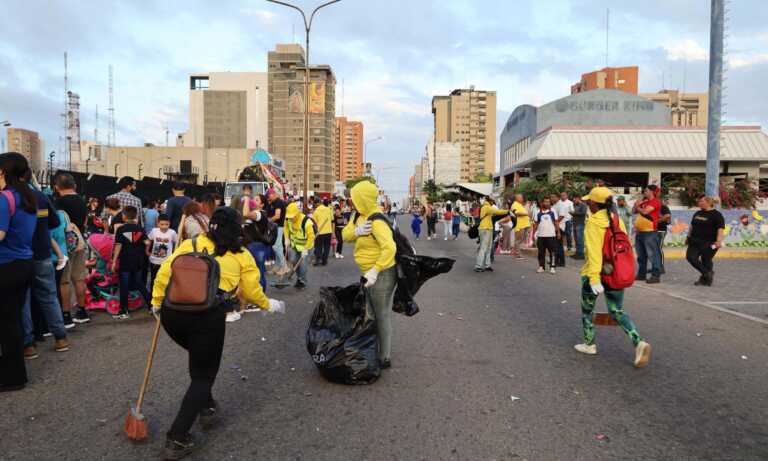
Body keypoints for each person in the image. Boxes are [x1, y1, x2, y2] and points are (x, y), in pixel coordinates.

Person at [151, 206, 284, 459]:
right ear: (237, 229)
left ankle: (207, 405)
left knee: (200, 359)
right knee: (204, 375)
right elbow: (251, 290)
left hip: (173, 314)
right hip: (206, 317)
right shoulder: (241, 254)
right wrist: (269, 304)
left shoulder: (192, 243)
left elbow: (166, 271)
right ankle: (176, 438)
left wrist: (157, 302)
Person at [575, 186, 652, 368]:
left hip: (594, 274)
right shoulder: (616, 219)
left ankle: (589, 344)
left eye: (589, 201)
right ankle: (638, 341)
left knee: (587, 311)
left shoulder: (594, 222)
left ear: (595, 203)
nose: (587, 203)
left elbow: (594, 253)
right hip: (615, 272)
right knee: (616, 311)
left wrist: (594, 278)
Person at [342, 181, 397, 369]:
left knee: (380, 314)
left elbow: (390, 248)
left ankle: (384, 357)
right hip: (368, 272)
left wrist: (375, 269)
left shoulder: (377, 220)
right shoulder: (357, 215)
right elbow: (345, 235)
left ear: (363, 198)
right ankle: (373, 349)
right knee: (370, 313)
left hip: (383, 272)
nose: (352, 202)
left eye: (356, 198)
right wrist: (356, 231)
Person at [0, 152, 38, 392]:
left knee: (7, 323)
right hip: (24, 263)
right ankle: (14, 374)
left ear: (3, 171)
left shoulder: (4, 198)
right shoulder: (29, 197)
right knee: (11, 321)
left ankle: (12, 377)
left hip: (6, 265)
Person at [21, 182, 70, 359]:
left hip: (18, 254)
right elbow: (54, 221)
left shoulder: (8, 197)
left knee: (22, 300)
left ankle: (28, 344)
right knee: (49, 296)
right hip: (42, 252)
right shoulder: (40, 197)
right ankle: (60, 337)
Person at [54, 173, 91, 325]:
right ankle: (82, 311)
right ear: (74, 185)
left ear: (57, 187)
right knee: (79, 278)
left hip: (64, 244)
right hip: (80, 242)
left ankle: (66, 314)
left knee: (64, 281)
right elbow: (85, 221)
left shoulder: (58, 202)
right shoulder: (82, 201)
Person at [110, 206, 151, 320]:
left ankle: (124, 310)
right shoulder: (140, 228)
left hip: (125, 261)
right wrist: (147, 251)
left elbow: (118, 246)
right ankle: (151, 306)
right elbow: (147, 242)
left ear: (123, 216)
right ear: (135, 216)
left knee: (124, 285)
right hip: (138, 260)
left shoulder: (121, 229)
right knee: (139, 283)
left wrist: (114, 262)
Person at [686, 196, 725, 287]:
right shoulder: (698, 213)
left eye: (701, 201)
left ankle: (705, 280)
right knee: (690, 257)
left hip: (709, 242)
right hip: (694, 241)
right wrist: (688, 237)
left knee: (706, 260)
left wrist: (718, 241)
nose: (699, 203)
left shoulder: (716, 215)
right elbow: (692, 226)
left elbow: (720, 228)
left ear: (708, 203)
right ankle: (707, 273)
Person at [633, 185, 662, 284]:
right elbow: (633, 211)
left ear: (652, 192)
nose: (644, 192)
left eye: (646, 190)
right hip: (640, 232)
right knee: (641, 255)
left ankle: (655, 275)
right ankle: (641, 274)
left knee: (653, 254)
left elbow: (645, 212)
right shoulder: (644, 202)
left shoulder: (655, 202)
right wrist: (636, 204)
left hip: (650, 232)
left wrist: (638, 206)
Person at [284, 201, 315, 290]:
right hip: (294, 245)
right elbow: (286, 227)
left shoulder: (306, 221)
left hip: (306, 246)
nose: (291, 219)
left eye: (292, 217)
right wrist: (287, 238)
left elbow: (311, 237)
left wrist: (306, 249)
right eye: (289, 217)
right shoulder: (288, 219)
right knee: (293, 260)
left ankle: (302, 281)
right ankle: (299, 277)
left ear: (297, 213)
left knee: (302, 265)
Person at [474, 196, 508, 273]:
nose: (493, 202)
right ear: (490, 201)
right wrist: (508, 211)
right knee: (483, 248)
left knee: (488, 248)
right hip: (485, 229)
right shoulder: (486, 207)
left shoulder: (486, 207)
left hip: (488, 229)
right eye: (492, 201)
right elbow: (497, 212)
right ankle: (478, 266)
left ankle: (487, 265)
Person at [147, 214, 177, 291]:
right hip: (154, 261)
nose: (164, 226)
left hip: (166, 262)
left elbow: (176, 243)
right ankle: (152, 296)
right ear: (158, 224)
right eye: (162, 224)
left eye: (166, 224)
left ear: (169, 224)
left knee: (165, 280)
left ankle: (163, 297)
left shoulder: (172, 232)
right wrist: (146, 250)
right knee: (154, 279)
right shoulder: (154, 231)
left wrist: (174, 255)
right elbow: (149, 240)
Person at [533, 197, 560, 274]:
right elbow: (536, 224)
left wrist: (558, 232)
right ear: (542, 203)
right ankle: (541, 267)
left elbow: (556, 222)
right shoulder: (538, 212)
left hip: (551, 235)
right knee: (541, 252)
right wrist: (533, 234)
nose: (547, 203)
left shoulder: (553, 211)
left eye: (548, 202)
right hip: (541, 236)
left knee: (552, 252)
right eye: (545, 202)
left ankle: (552, 267)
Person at [266, 188, 287, 275]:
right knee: (278, 247)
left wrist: (269, 220)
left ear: (273, 194)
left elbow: (277, 216)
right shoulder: (274, 203)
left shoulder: (278, 202)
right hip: (276, 227)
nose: (268, 197)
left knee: (276, 247)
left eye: (269, 195)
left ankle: (284, 266)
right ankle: (278, 267)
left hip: (278, 227)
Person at [312, 198, 333, 266]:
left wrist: (315, 230)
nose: (314, 205)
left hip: (319, 232)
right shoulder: (328, 209)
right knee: (327, 247)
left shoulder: (316, 211)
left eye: (314, 204)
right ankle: (324, 261)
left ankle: (318, 259)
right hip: (328, 231)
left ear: (316, 203)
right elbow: (332, 219)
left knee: (318, 246)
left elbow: (314, 222)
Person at [511, 194, 530, 259]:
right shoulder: (514, 204)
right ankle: (517, 254)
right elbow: (516, 213)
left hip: (524, 225)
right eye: (521, 197)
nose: (522, 198)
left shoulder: (519, 204)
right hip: (520, 225)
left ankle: (518, 254)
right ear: (517, 198)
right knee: (518, 240)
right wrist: (526, 214)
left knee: (520, 240)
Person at [657, 199, 672, 274]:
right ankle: (656, 266)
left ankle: (661, 267)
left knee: (658, 248)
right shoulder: (651, 207)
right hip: (652, 230)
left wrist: (657, 221)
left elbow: (668, 219)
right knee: (654, 249)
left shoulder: (664, 207)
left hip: (661, 230)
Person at [571, 195, 588, 260]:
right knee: (576, 240)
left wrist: (574, 213)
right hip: (575, 224)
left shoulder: (583, 205)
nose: (574, 201)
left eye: (575, 199)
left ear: (578, 199)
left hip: (580, 224)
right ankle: (577, 253)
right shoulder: (574, 205)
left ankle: (581, 254)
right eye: (573, 200)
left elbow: (583, 213)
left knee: (580, 240)